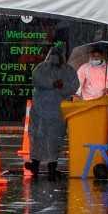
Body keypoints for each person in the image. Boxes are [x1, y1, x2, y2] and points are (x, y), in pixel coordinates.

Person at [29, 42, 78, 178]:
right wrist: (57, 85)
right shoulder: (67, 70)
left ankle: (37, 165)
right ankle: (49, 166)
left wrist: (58, 86)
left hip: (45, 111)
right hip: (52, 111)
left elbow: (37, 79)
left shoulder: (42, 68)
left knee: (41, 138)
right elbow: (73, 86)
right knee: (52, 139)